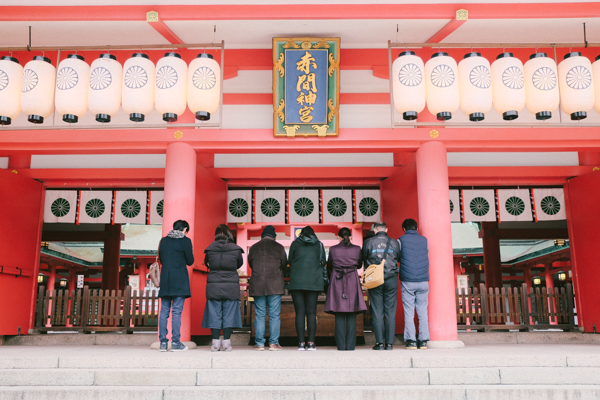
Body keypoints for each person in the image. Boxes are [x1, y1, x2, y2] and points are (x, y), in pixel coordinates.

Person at [202, 224, 244, 352]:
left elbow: (207, 263)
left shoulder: (210, 249)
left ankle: (215, 344)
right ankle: (226, 343)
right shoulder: (236, 249)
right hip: (231, 285)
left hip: (214, 284)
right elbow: (239, 263)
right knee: (229, 314)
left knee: (214, 313)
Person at [324, 227, 367, 351]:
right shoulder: (356, 249)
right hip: (352, 279)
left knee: (339, 313)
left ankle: (341, 346)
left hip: (337, 280)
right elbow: (359, 264)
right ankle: (351, 345)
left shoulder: (333, 249)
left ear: (339, 237)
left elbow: (330, 265)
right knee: (352, 313)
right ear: (350, 236)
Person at [362, 221, 401, 350]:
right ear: (386, 229)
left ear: (374, 230)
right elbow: (398, 257)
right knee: (390, 311)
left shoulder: (369, 242)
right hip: (391, 278)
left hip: (375, 279)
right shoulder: (395, 242)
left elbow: (363, 257)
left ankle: (379, 343)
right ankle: (389, 344)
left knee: (377, 311)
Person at [247, 225, 287, 351]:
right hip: (275, 284)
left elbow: (251, 263)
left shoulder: (254, 247)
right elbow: (284, 264)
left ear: (262, 236)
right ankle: (273, 343)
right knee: (274, 315)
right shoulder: (279, 247)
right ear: (274, 236)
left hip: (258, 284)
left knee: (260, 314)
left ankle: (259, 344)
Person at [158, 219, 194, 352]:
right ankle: (176, 343)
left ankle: (162, 343)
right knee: (177, 312)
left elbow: (162, 259)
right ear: (184, 229)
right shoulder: (185, 241)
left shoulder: (164, 241)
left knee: (164, 312)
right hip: (179, 279)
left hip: (166, 279)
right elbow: (190, 261)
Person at [287, 226, 326, 351]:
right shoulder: (319, 245)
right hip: (313, 282)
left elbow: (290, 261)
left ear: (301, 234)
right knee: (311, 313)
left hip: (297, 282)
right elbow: (323, 261)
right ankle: (311, 343)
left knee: (299, 313)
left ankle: (301, 343)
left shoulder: (295, 244)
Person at [398, 218, 430, 350]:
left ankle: (411, 341)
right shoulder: (424, 240)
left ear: (404, 229)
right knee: (422, 311)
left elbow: (398, 256)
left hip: (408, 280)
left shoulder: (400, 240)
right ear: (416, 228)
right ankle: (423, 341)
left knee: (409, 311)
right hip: (423, 280)